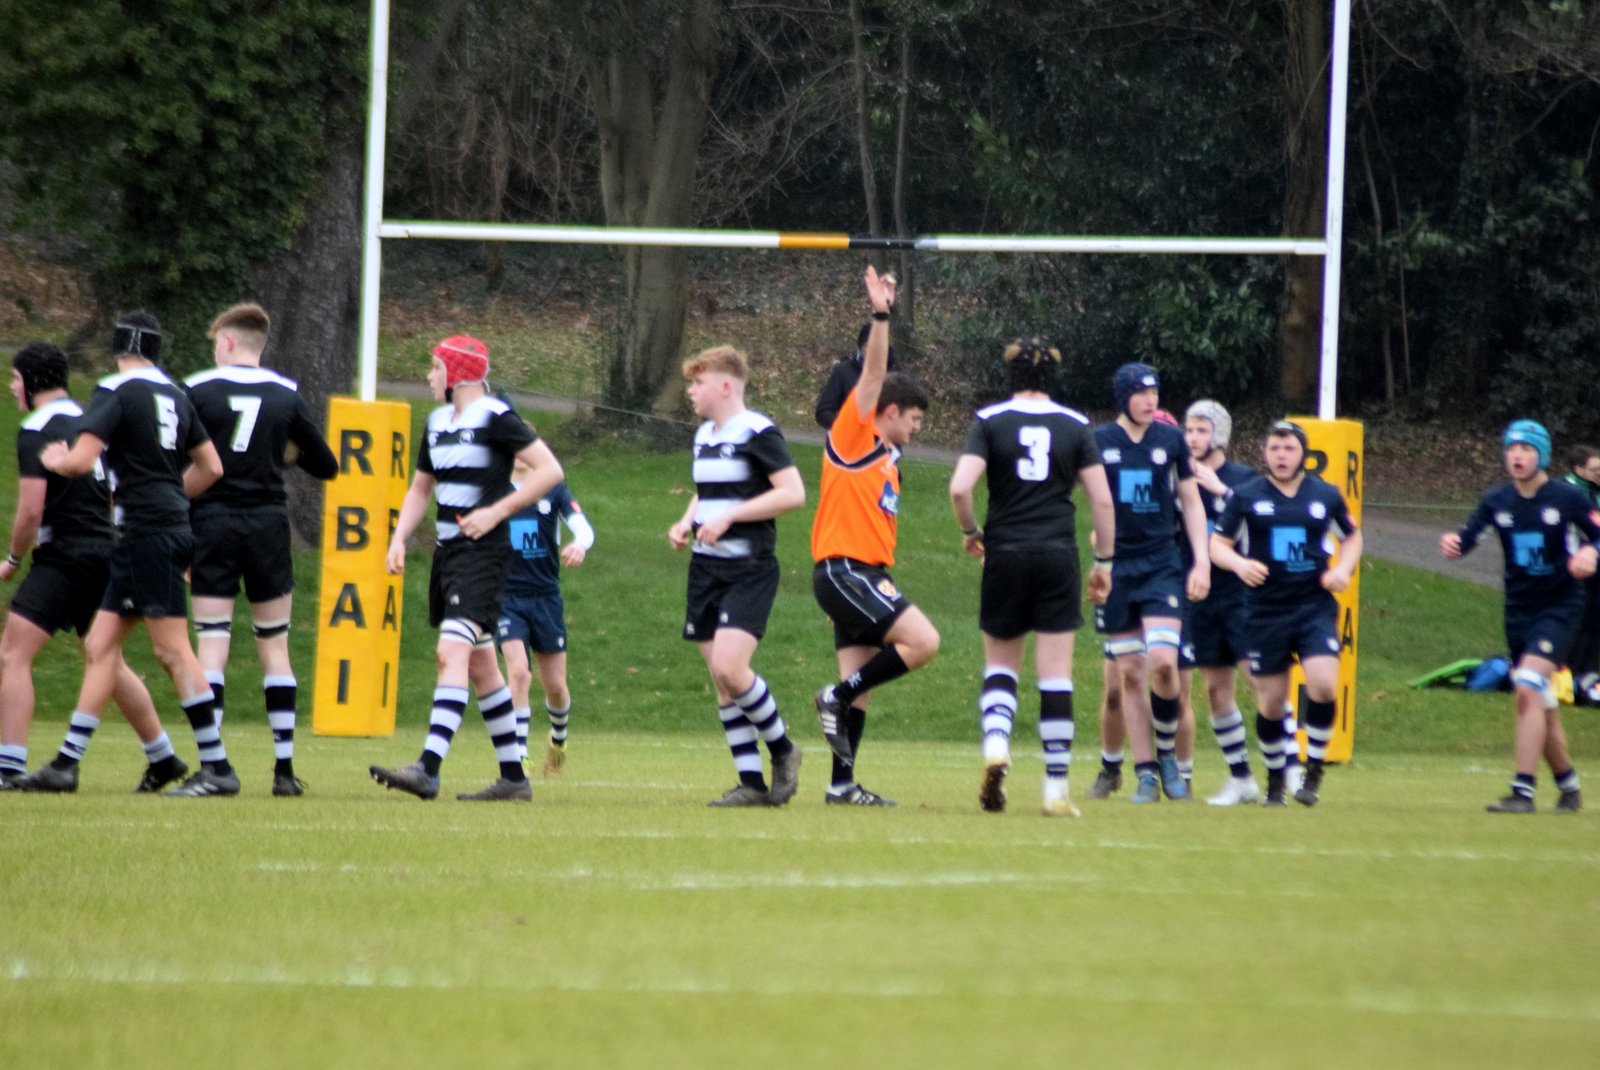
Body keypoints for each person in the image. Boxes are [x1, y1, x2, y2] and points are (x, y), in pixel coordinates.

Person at [17, 312, 231, 796]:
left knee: (171, 649)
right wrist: (170, 497)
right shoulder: (176, 394)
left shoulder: (115, 390)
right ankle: (66, 764)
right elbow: (212, 467)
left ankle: (218, 767)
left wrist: (58, 461)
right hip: (158, 529)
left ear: (120, 349)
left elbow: (81, 460)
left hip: (146, 533)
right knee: (99, 646)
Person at [370, 335, 564, 802]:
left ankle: (428, 768)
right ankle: (513, 778)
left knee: (449, 652)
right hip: (449, 555)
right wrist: (398, 539)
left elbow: (549, 470)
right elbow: (421, 488)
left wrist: (497, 512)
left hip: (484, 555)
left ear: (456, 374)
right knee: (481, 666)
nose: (428, 376)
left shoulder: (496, 417)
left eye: (435, 367)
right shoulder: (437, 422)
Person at [0, 343, 183, 793]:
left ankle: (8, 767)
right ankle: (162, 756)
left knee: (13, 654)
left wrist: (13, 559)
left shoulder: (38, 427)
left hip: (66, 554)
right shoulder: (92, 420)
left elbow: (31, 509)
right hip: (106, 548)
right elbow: (116, 488)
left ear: (33, 381)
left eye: (16, 378)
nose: (11, 386)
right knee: (107, 660)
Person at [948, 338, 1114, 816]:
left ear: (1011, 376)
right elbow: (1103, 501)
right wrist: (1104, 563)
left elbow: (960, 488)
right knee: (1056, 675)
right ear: (1052, 378)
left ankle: (996, 745)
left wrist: (971, 531)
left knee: (1001, 666)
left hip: (1005, 553)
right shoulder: (1076, 425)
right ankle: (1055, 790)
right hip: (1058, 555)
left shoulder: (989, 421)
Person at [184, 303, 338, 797]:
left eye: (217, 342)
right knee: (274, 645)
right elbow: (327, 464)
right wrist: (281, 455)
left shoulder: (197, 390)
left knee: (212, 643)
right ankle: (284, 770)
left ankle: (213, 764)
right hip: (269, 524)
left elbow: (178, 461)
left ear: (228, 341)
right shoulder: (285, 394)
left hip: (213, 523)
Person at [811, 267, 937, 807]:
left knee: (861, 686)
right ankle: (832, 697)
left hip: (861, 574)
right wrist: (881, 313)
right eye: (913, 418)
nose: (916, 428)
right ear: (887, 412)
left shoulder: (888, 458)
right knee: (924, 642)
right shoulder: (854, 436)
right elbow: (873, 375)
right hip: (847, 570)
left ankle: (841, 785)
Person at [668, 344, 806, 807]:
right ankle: (751, 783)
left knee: (731, 668)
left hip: (749, 568)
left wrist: (730, 517)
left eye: (698, 382)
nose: (691, 391)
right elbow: (707, 493)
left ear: (725, 386)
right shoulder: (703, 436)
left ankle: (783, 749)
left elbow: (792, 493)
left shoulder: (758, 432)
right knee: (721, 679)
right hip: (705, 568)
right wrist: (686, 521)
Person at [1441, 420, 1596, 813]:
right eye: (1511, 448)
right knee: (1539, 702)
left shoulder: (1566, 498)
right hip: (1518, 611)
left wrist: (1590, 553)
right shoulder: (1497, 501)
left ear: (1541, 455)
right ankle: (1569, 787)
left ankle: (1522, 791)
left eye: (1526, 449)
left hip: (1560, 606)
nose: (1517, 456)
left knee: (1526, 686)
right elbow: (1468, 538)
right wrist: (1454, 543)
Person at [1211, 420, 1362, 807]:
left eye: (1289, 448)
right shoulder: (1247, 496)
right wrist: (1239, 564)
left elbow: (1352, 537)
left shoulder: (1324, 495)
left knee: (1324, 685)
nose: (1281, 455)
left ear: (1303, 454)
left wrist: (1343, 569)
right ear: (1265, 453)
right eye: (1275, 448)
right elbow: (1218, 545)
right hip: (1265, 610)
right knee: (1272, 703)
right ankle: (1276, 778)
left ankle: (1314, 770)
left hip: (1313, 605)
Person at [1090, 364, 1209, 804]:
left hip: (1162, 564)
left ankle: (1167, 757)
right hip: (1117, 568)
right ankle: (1144, 774)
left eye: (1154, 392)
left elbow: (1191, 503)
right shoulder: (1099, 442)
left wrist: (1201, 563)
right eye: (1141, 393)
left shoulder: (1171, 440)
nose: (1150, 400)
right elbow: (1090, 500)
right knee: (1130, 674)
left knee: (1163, 663)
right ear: (1123, 397)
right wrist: (1099, 556)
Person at [1180, 400, 1265, 805]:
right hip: (1201, 597)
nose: (1193, 438)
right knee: (1216, 690)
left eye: (1202, 430)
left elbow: (1263, 528)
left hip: (1242, 596)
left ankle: (1289, 767)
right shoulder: (1180, 478)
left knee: (1262, 682)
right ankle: (1241, 777)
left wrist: (1221, 490)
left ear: (1220, 435)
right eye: (1189, 430)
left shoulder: (1244, 480)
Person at [495, 461, 594, 777]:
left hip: (545, 598)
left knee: (556, 687)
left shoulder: (553, 490)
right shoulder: (493, 488)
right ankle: (518, 757)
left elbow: (584, 529)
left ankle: (558, 739)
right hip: (506, 598)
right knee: (518, 672)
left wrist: (579, 545)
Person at [1557, 445, 1600, 703]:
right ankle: (1567, 672)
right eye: (1596, 469)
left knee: (1595, 619)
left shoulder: (1594, 490)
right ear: (1578, 469)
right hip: (1573, 565)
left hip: (1595, 566)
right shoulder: (1567, 491)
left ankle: (1589, 674)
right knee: (1576, 617)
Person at [814, 321, 899, 430]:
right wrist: (844, 427)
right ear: (861, 347)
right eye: (869, 345)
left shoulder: (895, 375)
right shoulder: (843, 371)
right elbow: (823, 411)